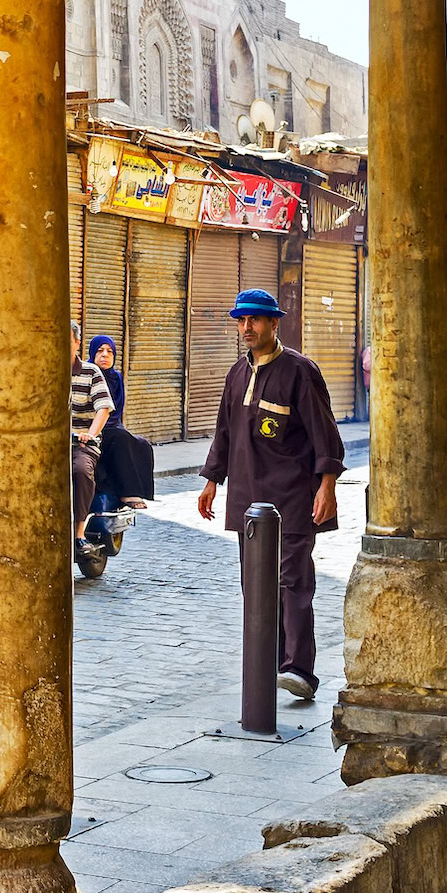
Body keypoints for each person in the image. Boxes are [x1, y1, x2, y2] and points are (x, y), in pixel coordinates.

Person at [196, 288, 344, 701]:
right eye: (241, 321)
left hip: (294, 498)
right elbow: (224, 434)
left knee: (293, 581)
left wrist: (327, 487)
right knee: (256, 584)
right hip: (247, 499)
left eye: (255, 320)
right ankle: (268, 661)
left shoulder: (300, 371)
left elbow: (325, 435)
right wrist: (212, 480)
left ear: (273, 323)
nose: (247, 328)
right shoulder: (236, 375)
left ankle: (299, 669)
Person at [87, 334, 153, 508]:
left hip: (113, 426)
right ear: (92, 353)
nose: (105, 355)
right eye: (100, 351)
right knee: (120, 438)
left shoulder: (116, 378)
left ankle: (138, 491)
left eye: (109, 351)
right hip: (90, 428)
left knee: (142, 444)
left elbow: (116, 410)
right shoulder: (87, 374)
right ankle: (127, 493)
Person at [70, 321, 112, 562]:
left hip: (80, 443)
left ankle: (78, 533)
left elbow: (103, 408)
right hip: (48, 444)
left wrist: (91, 433)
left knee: (80, 471)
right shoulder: (42, 371)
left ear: (77, 343)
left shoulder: (90, 372)